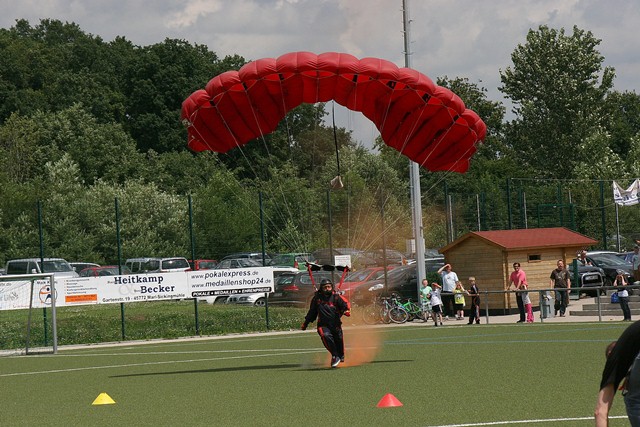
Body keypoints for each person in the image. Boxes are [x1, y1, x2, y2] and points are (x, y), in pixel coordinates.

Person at [594, 320, 640, 426]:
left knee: (634, 400)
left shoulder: (615, 361)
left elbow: (600, 412)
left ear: (610, 354)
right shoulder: (632, 338)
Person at [301, 278, 351, 368]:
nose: (327, 289)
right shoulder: (317, 299)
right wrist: (306, 323)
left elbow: (344, 306)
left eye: (329, 287)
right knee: (325, 336)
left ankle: (339, 356)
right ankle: (334, 356)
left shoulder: (336, 297)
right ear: (321, 288)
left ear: (332, 287)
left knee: (339, 345)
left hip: (336, 325)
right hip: (323, 325)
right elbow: (312, 312)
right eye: (325, 287)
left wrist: (346, 311)